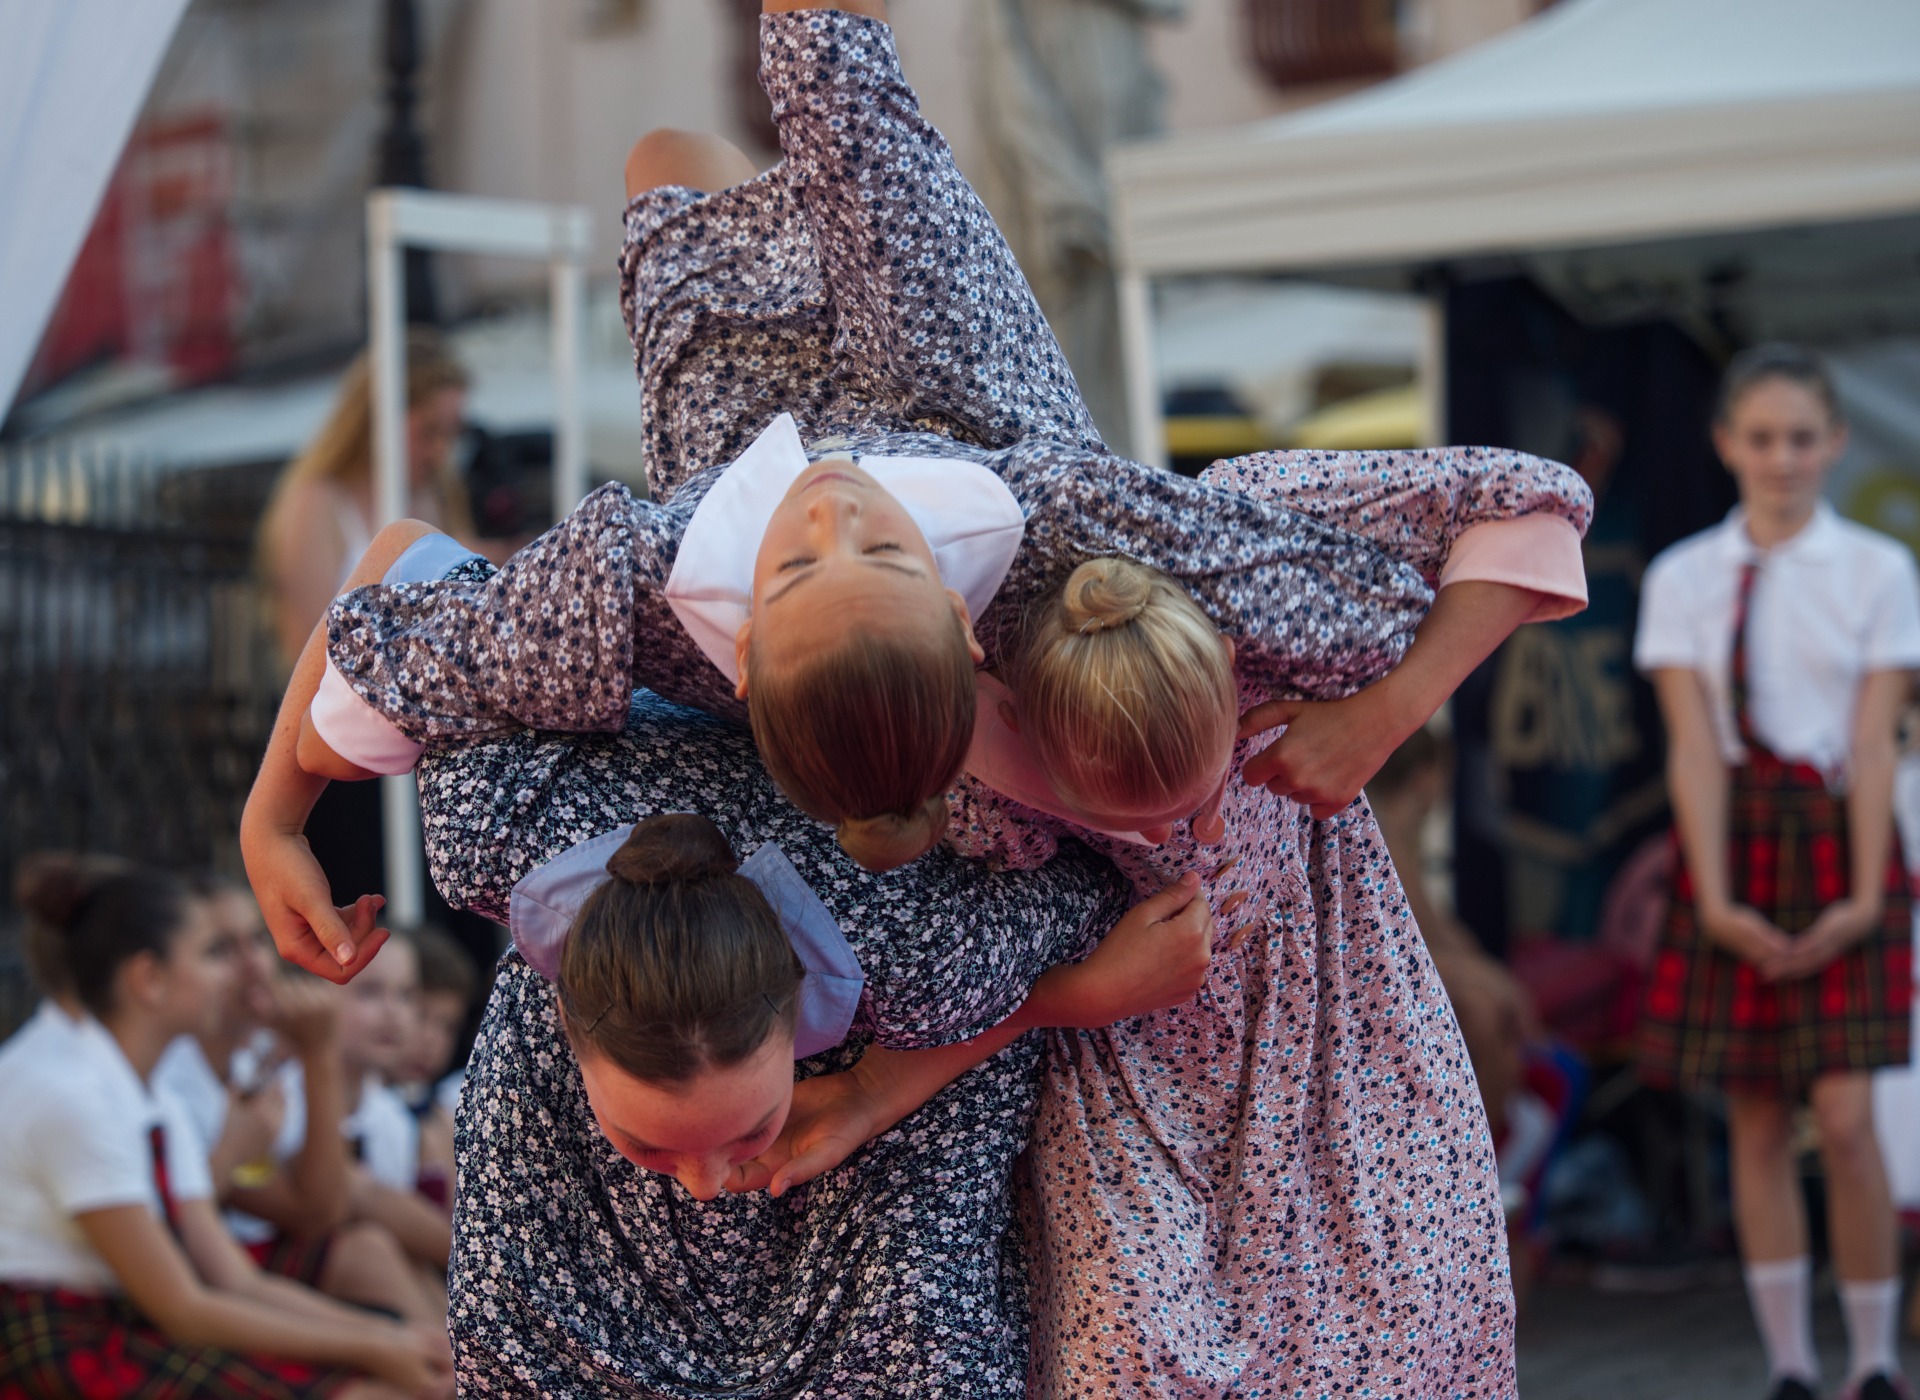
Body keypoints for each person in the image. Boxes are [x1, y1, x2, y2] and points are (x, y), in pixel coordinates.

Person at [1635, 343, 1920, 1400]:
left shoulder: (1879, 570)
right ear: (1726, 444)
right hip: (1734, 836)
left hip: (1843, 829)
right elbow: (1691, 748)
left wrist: (1864, 892)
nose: (1782, 458)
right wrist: (1712, 895)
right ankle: (1791, 1366)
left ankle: (1875, 1361)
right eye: (1761, 438)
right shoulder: (1682, 577)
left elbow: (1878, 742)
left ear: (1836, 443)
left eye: (1802, 438)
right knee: (1755, 1116)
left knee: (1845, 1119)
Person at [0, 855, 451, 1400]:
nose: (243, 972)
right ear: (148, 979)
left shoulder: (145, 1086)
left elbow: (236, 1279)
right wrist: (373, 1347)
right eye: (214, 953)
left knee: (409, 1366)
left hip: (135, 1311)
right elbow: (183, 1308)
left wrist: (398, 1340)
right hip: (62, 1335)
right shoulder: (72, 1093)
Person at [153, 876, 433, 1323]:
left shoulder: (249, 1062)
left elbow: (319, 1207)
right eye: (221, 950)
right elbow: (319, 1212)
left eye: (258, 940)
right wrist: (319, 1054)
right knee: (368, 1247)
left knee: (385, 1251)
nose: (254, 965)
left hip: (240, 1262)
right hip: (194, 1278)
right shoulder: (170, 1074)